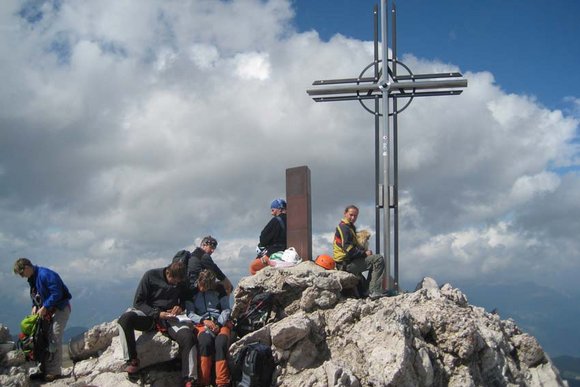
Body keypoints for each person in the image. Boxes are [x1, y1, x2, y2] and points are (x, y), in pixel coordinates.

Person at [117, 261, 198, 387]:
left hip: (170, 318)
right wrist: (156, 313)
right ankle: (131, 361)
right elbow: (138, 302)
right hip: (150, 316)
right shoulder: (150, 276)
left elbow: (184, 299)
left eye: (178, 282)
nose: (176, 284)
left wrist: (179, 307)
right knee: (125, 320)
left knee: (188, 336)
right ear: (168, 273)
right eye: (174, 281)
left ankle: (189, 378)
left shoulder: (181, 281)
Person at [13, 258, 72, 382]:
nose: (22, 276)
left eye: (22, 273)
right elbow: (36, 295)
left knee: (54, 336)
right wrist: (34, 306)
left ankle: (55, 372)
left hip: (60, 308)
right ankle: (44, 370)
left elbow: (57, 293)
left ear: (27, 268)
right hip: (47, 311)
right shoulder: (33, 278)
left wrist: (45, 306)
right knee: (42, 338)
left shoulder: (46, 274)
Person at [186, 269, 232, 387]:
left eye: (205, 287)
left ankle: (222, 382)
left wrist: (219, 324)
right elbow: (190, 313)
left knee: (220, 343)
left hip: (220, 322)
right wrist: (203, 321)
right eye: (201, 286)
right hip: (201, 323)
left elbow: (226, 309)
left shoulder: (219, 289)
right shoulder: (192, 291)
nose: (202, 289)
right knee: (205, 342)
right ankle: (203, 381)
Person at [333, 205, 388, 299]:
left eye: (355, 216)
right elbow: (348, 249)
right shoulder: (344, 228)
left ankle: (369, 290)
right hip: (345, 264)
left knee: (373, 259)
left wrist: (363, 252)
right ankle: (373, 290)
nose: (353, 218)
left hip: (348, 262)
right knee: (378, 259)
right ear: (345, 213)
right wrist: (364, 253)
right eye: (351, 215)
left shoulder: (350, 227)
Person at [249, 198, 287, 274]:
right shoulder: (294, 219)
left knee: (253, 267)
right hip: (289, 252)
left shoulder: (276, 220)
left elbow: (263, 239)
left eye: (273, 210)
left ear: (279, 209)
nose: (271, 213)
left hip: (275, 252)